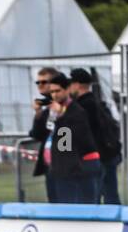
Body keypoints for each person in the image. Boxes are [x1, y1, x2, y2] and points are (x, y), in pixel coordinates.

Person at [33, 73, 101, 203]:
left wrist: (61, 116)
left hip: (74, 168)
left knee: (75, 207)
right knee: (55, 205)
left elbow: (66, 143)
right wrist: (38, 114)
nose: (54, 95)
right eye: (52, 91)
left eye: (58, 91)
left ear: (67, 89)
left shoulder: (76, 111)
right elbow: (38, 134)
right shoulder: (50, 110)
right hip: (54, 168)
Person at [68, 67, 122, 204]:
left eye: (71, 84)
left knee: (92, 197)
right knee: (111, 194)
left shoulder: (82, 107)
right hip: (108, 153)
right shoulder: (98, 103)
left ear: (77, 84)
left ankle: (95, 224)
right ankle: (117, 222)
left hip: (96, 157)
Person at [29, 67, 60, 201]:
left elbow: (66, 134)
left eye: (44, 82)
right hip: (50, 165)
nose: (40, 85)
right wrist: (38, 113)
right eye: (38, 82)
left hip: (64, 164)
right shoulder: (46, 107)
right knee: (53, 200)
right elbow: (37, 134)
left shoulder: (64, 105)